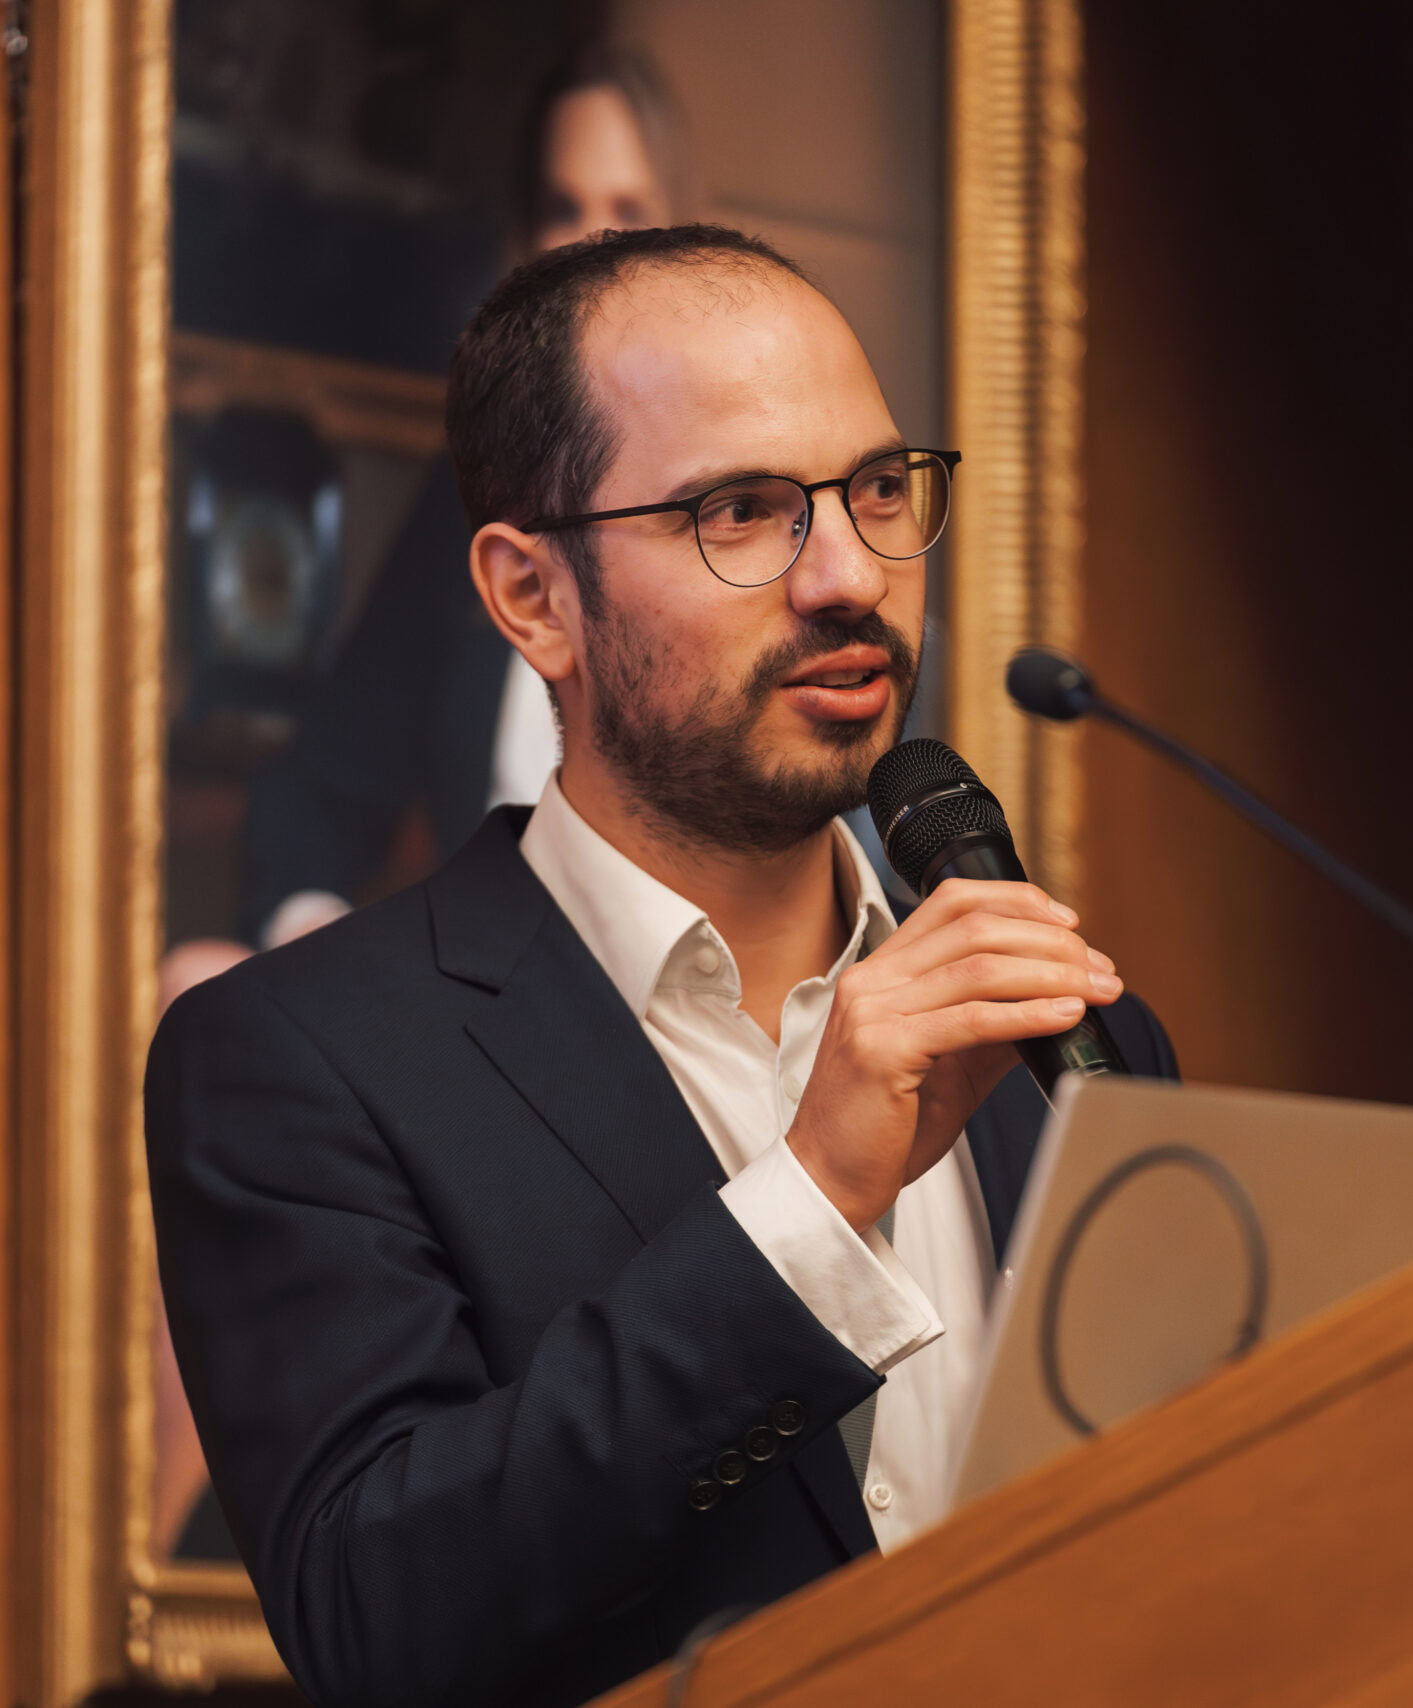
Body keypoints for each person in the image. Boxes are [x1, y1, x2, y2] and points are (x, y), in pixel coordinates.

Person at [145, 225, 1177, 1708]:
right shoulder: (300, 1061)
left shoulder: (1066, 1037)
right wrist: (812, 1203)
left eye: (880, 491)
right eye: (741, 512)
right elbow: (380, 1621)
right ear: (531, 599)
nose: (847, 575)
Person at [232, 44, 691, 952]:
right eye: (564, 208)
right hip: (492, 1025)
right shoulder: (476, 496)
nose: (592, 242)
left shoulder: (740, 498)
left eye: (628, 209)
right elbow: (315, 800)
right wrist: (324, 961)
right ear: (525, 239)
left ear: (681, 236)